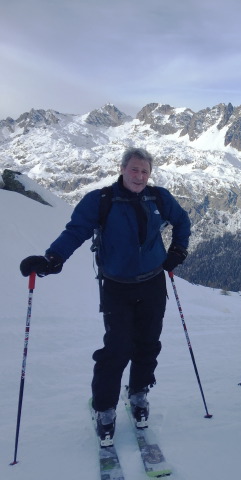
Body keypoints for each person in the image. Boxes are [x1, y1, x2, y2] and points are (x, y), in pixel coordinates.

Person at [19, 147, 191, 446]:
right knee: (117, 348)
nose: (139, 176)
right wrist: (52, 259)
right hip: (116, 287)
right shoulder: (101, 200)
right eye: (134, 169)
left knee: (148, 343)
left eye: (145, 171)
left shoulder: (159, 198)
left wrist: (179, 249)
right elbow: (76, 231)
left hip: (153, 283)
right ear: (122, 169)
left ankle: (138, 393)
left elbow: (182, 221)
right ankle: (105, 408)